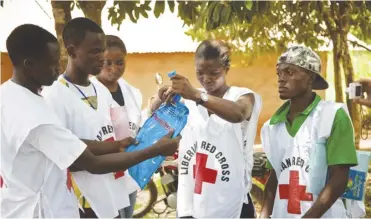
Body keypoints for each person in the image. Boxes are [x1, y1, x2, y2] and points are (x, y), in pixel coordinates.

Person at [0, 24, 180, 218]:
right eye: (52, 63)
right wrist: (156, 150)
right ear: (29, 64)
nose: (58, 67)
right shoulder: (38, 114)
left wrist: (116, 145)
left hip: (18, 204)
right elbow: (91, 163)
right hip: (47, 209)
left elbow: (67, 142)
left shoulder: (8, 94)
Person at [151, 40, 262, 218]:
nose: (206, 79)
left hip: (232, 199)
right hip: (193, 200)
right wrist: (160, 96)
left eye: (214, 73)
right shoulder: (188, 99)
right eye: (199, 72)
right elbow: (156, 112)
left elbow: (238, 113)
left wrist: (196, 95)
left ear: (226, 69)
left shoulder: (243, 96)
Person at [260, 45, 358, 218]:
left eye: (289, 72)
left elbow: (339, 179)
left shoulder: (332, 115)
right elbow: (276, 176)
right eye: (279, 73)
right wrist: (264, 215)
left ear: (310, 78)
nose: (281, 79)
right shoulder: (272, 127)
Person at [94, 35, 142, 218]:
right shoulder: (89, 91)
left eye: (120, 62)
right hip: (101, 173)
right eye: (107, 62)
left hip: (128, 172)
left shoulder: (132, 92)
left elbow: (138, 124)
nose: (114, 68)